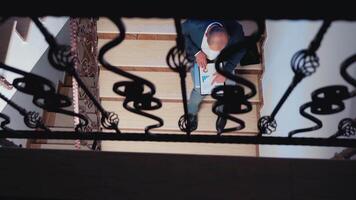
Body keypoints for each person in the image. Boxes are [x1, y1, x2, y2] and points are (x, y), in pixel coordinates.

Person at [181, 19, 246, 133]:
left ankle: (222, 111)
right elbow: (181, 34)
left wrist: (226, 70)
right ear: (206, 35)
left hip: (224, 61)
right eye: (215, 48)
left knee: (229, 87)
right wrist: (197, 52)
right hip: (199, 57)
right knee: (199, 89)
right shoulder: (193, 24)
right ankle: (191, 112)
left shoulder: (236, 31)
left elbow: (241, 50)